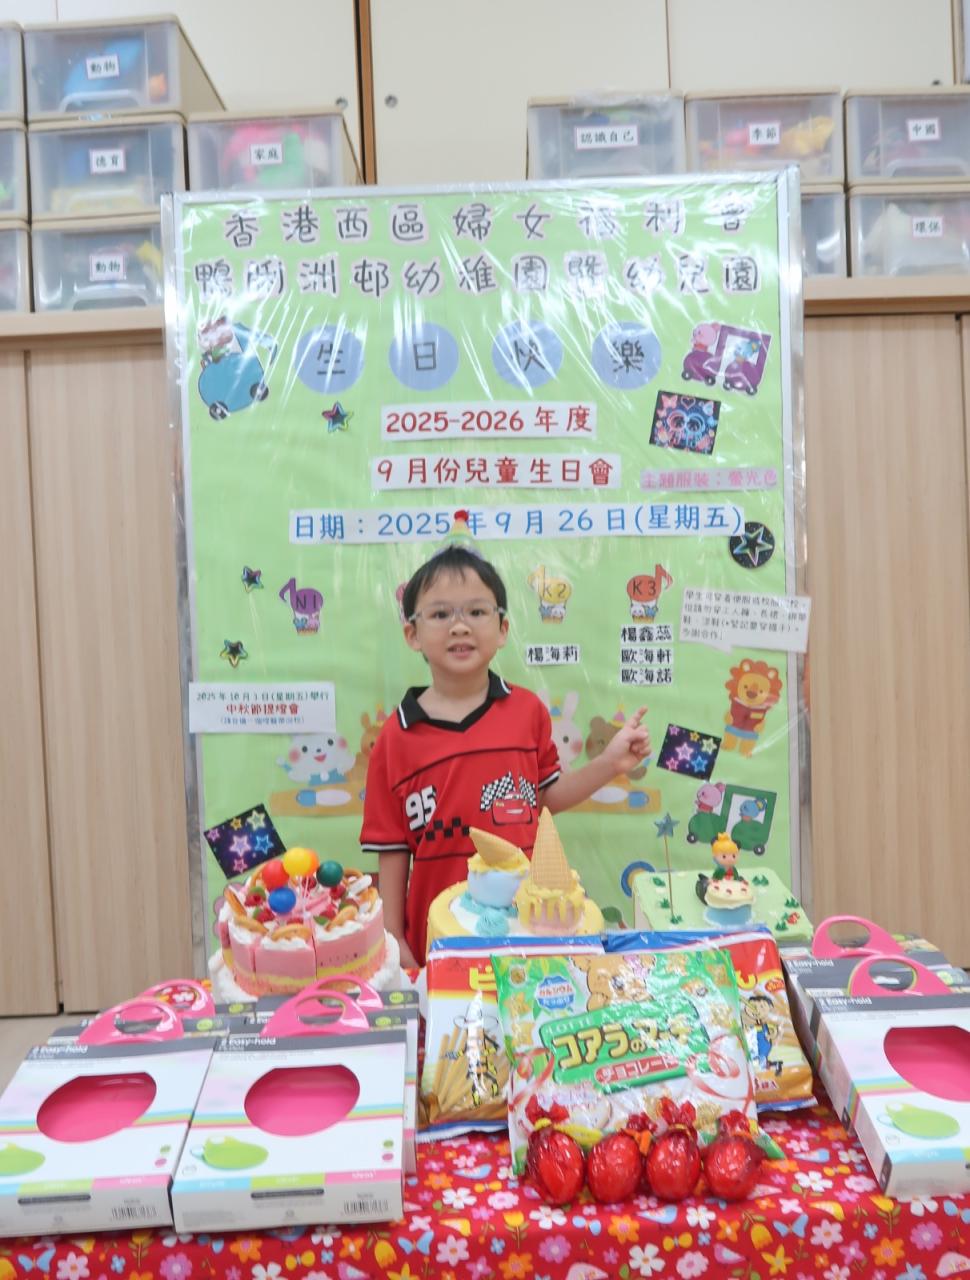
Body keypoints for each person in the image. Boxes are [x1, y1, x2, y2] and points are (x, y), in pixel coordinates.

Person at [359, 535, 652, 966]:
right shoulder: (395, 737)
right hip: (439, 938)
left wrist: (610, 763)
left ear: (502, 629)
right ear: (412, 634)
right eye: (440, 614)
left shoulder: (526, 712)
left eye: (477, 612)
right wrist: (393, 938)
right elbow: (392, 847)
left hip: (529, 928)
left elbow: (545, 799)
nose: (459, 626)